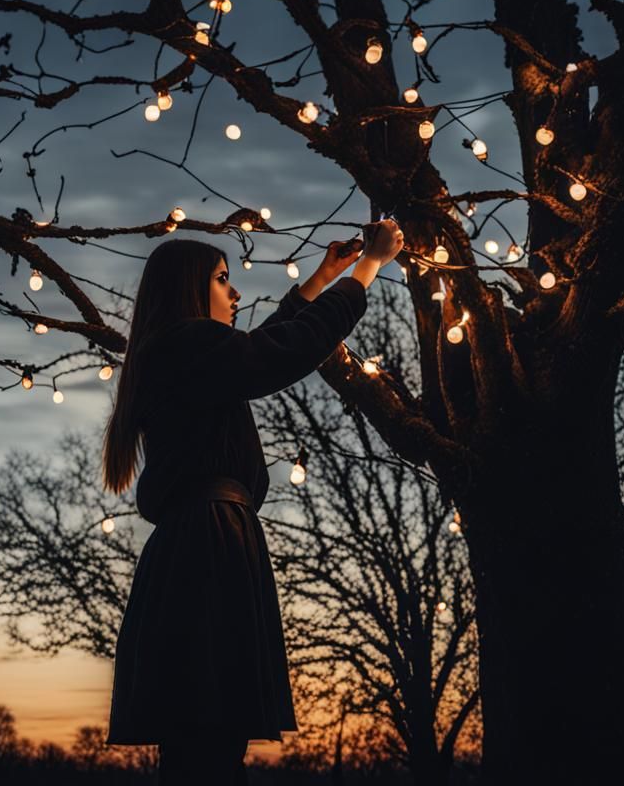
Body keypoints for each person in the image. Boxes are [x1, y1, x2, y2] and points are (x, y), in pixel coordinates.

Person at [101, 219, 405, 783]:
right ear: (190, 291)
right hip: (209, 550)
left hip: (201, 543)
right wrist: (369, 268)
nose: (236, 292)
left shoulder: (180, 355)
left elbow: (255, 351)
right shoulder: (186, 346)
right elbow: (278, 353)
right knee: (209, 733)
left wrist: (318, 281)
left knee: (203, 733)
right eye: (222, 279)